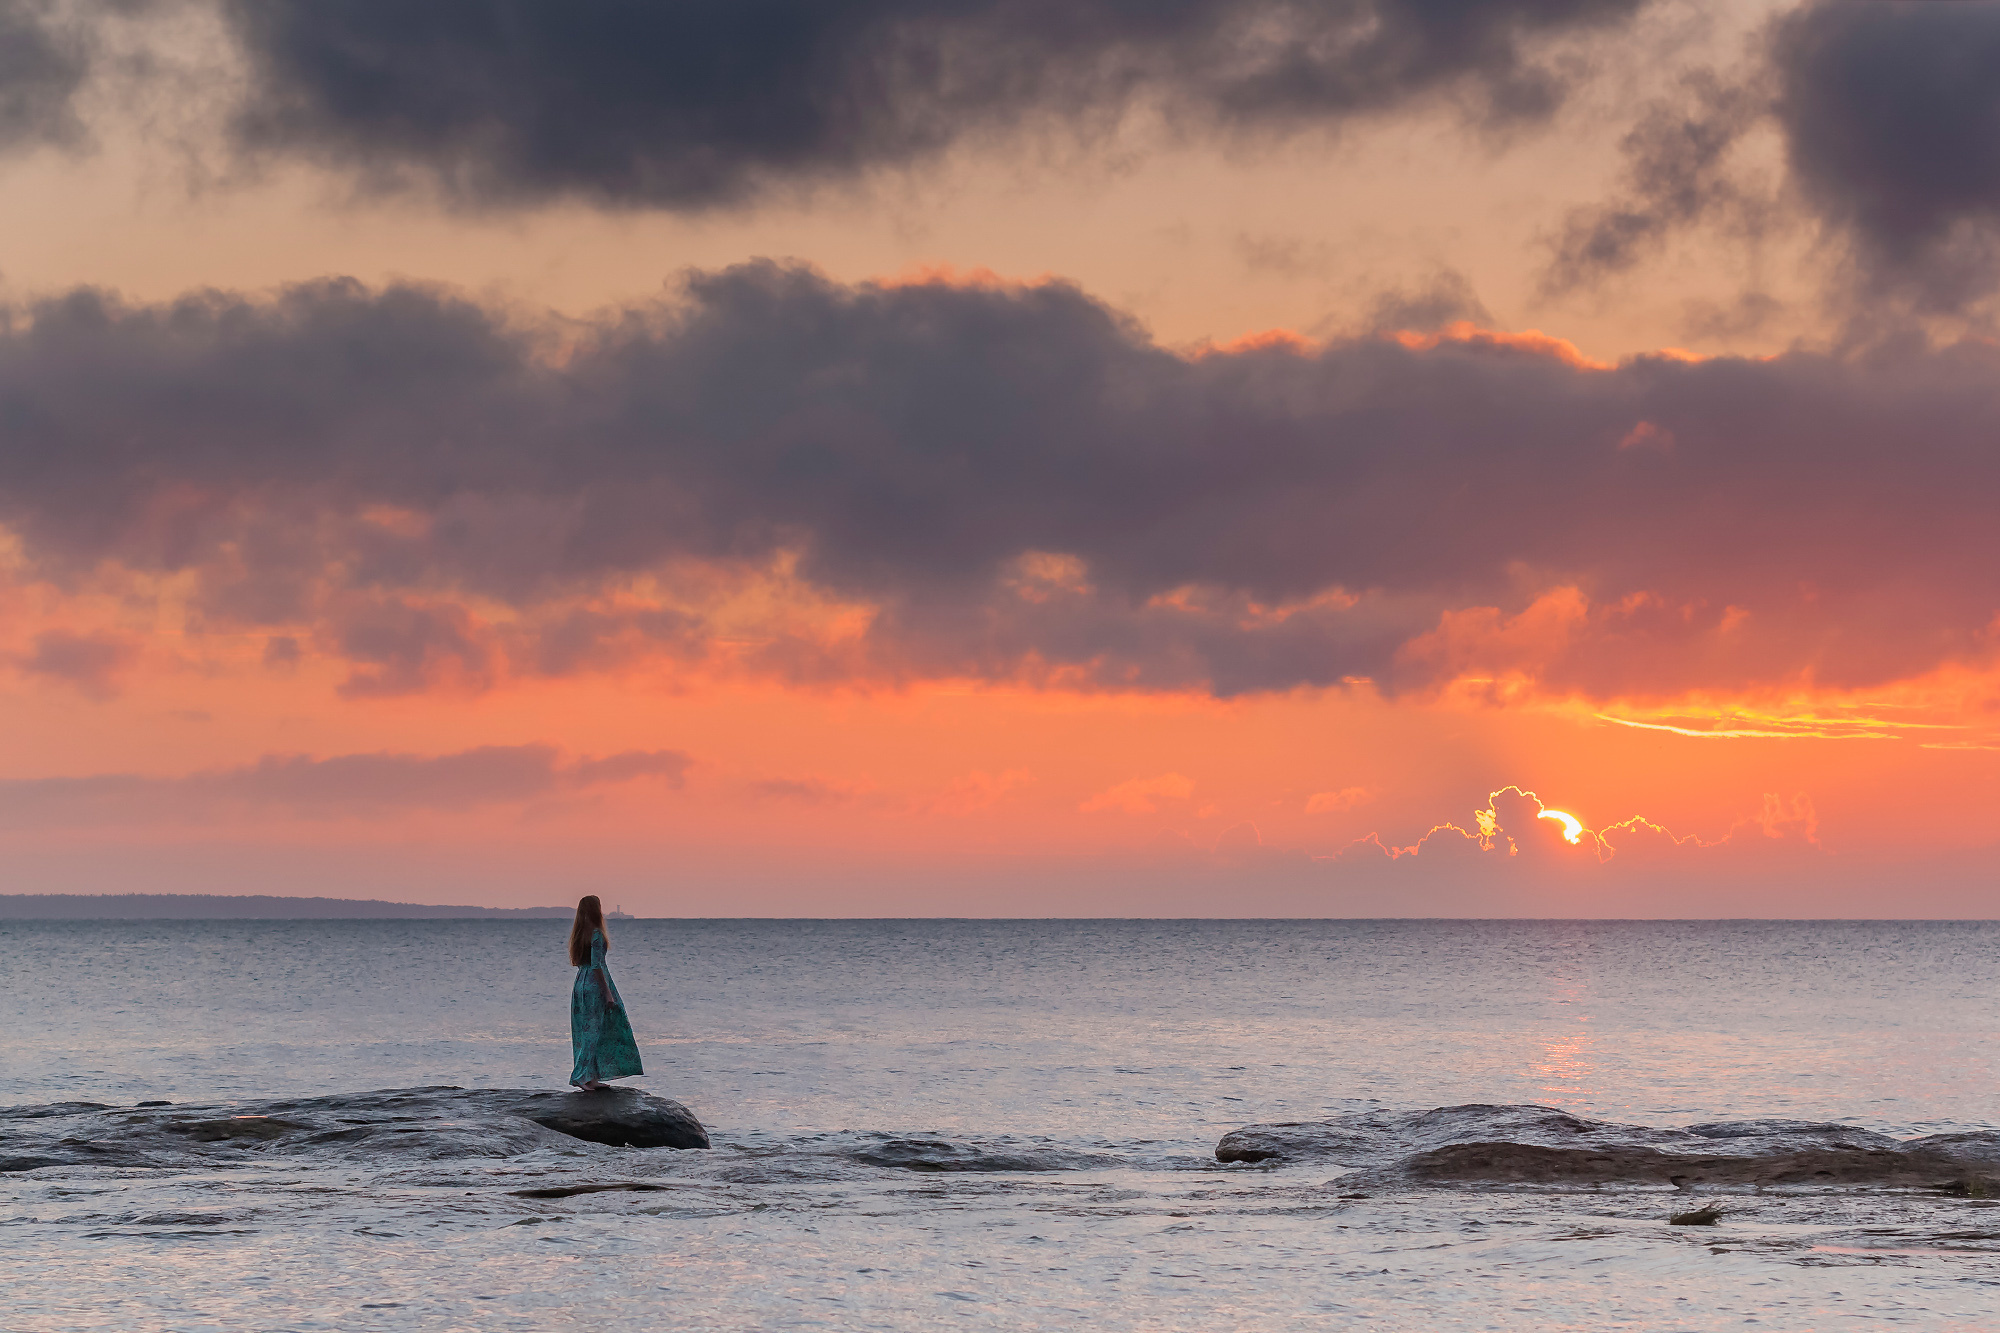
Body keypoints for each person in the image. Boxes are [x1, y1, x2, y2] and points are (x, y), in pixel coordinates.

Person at [568, 895, 643, 1091]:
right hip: (593, 985)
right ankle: (581, 1076)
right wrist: (608, 994)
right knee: (595, 1033)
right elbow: (597, 966)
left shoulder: (579, 934)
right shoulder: (596, 934)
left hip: (579, 985)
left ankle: (590, 1077)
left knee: (584, 1033)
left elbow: (584, 964)